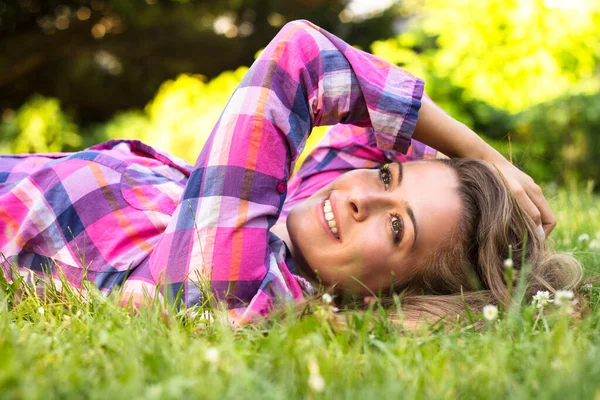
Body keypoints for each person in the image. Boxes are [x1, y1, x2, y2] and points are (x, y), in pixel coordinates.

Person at [0, 20, 585, 327]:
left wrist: (483, 153)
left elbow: (305, 56)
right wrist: (484, 187)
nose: (361, 200)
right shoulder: (297, 222)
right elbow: (371, 132)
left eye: (397, 230)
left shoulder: (234, 279)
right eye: (385, 181)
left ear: (389, 299)